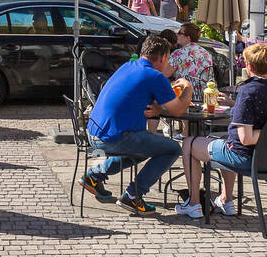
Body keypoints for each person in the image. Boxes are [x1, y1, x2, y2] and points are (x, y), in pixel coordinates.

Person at [79, 35, 192, 216]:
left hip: (93, 133)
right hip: (113, 138)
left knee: (145, 148)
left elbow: (138, 95)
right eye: (168, 58)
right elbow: (178, 110)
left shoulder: (128, 66)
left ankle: (94, 175)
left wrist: (156, 109)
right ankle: (133, 195)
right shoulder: (155, 76)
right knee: (172, 148)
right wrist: (188, 88)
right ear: (163, 57)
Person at [177, 43, 267, 218]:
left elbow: (245, 139)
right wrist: (235, 105)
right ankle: (226, 200)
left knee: (188, 144)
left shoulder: (248, 91)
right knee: (225, 138)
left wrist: (265, 132)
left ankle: (193, 204)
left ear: (249, 66)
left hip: (246, 158)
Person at [168, 21, 214, 101]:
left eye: (179, 33)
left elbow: (164, 74)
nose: (176, 35)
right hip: (204, 96)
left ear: (188, 37)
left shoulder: (178, 54)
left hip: (184, 97)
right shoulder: (206, 54)